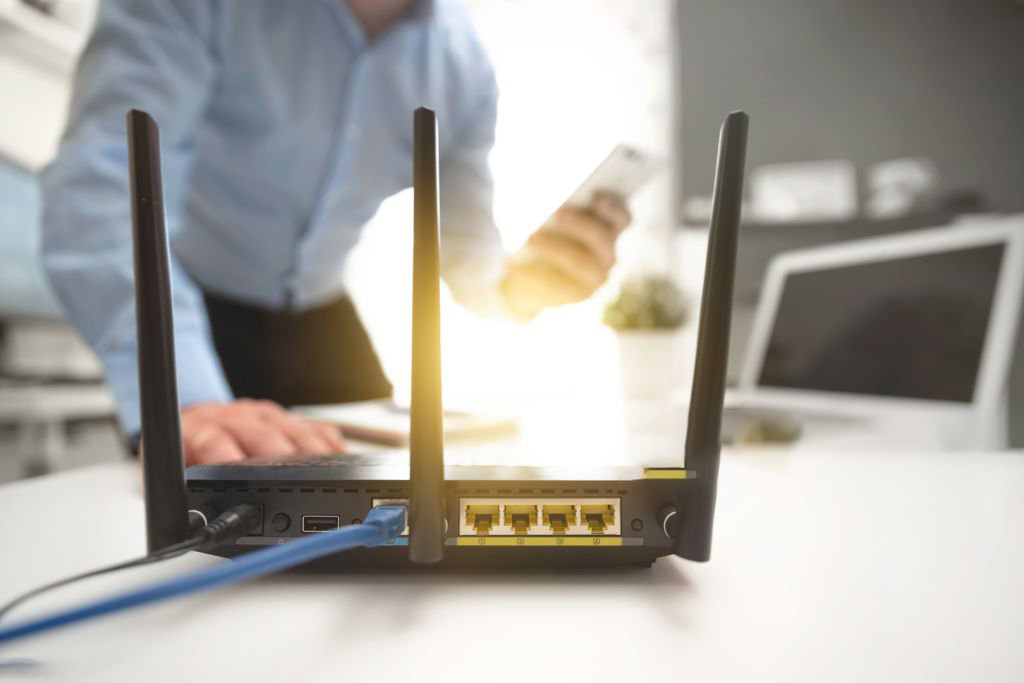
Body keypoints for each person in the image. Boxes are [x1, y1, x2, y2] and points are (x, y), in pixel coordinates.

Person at [41, 0, 631, 466]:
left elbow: (473, 267)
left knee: (391, 514)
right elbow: (103, 184)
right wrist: (187, 401)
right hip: (190, 313)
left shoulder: (465, 67)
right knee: (193, 526)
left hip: (324, 319)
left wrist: (536, 282)